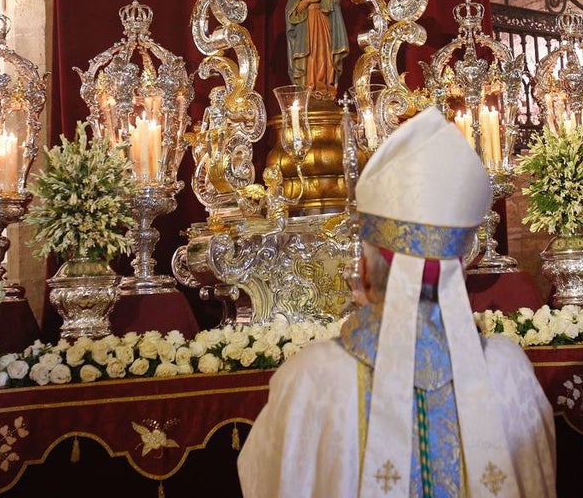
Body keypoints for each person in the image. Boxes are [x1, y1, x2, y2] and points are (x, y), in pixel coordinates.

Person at [238, 107, 556, 497]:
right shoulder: (509, 375)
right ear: (457, 267)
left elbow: (264, 481)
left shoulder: (311, 381)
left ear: (364, 272)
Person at [285, 0, 348, 99]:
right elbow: (291, 13)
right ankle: (310, 87)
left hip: (322, 27)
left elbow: (330, 6)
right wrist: (308, 1)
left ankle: (324, 86)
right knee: (311, 56)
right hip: (307, 30)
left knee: (324, 55)